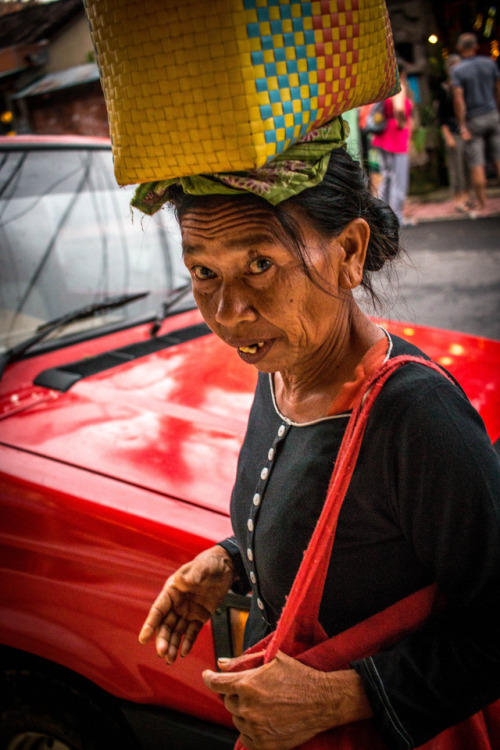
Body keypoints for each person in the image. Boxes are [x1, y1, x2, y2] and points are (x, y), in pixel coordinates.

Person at [136, 122, 500, 750]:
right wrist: (232, 560)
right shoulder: (279, 365)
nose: (228, 312)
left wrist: (346, 696)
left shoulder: (417, 418)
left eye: (260, 264)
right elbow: (352, 532)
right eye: (203, 271)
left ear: (350, 253)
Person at [451, 32, 500, 216]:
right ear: (476, 46)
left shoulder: (458, 70)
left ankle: (482, 204)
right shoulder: (490, 63)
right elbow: (498, 89)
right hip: (492, 113)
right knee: (498, 158)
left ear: (460, 48)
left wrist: (462, 125)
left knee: (477, 164)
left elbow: (458, 99)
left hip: (473, 119)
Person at [371, 61, 414, 225]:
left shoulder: (384, 89)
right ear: (402, 73)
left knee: (386, 177)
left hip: (382, 137)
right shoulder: (399, 87)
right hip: (396, 137)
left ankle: (382, 216)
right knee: (399, 179)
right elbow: (400, 109)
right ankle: (397, 216)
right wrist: (402, 124)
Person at [437, 54, 473, 213]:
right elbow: (441, 117)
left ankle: (467, 197)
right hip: (452, 131)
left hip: (467, 131)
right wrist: (448, 136)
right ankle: (458, 199)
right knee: (456, 168)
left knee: (468, 166)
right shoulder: (444, 89)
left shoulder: (465, 87)